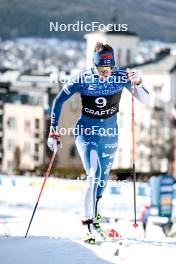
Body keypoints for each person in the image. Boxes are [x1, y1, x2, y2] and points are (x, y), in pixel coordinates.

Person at [47, 42, 150, 244]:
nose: (104, 73)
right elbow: (58, 100)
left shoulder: (121, 76)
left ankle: (96, 223)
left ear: (113, 65)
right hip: (86, 131)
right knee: (93, 174)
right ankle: (87, 225)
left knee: (102, 182)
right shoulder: (83, 78)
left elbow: (144, 99)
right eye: (100, 69)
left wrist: (138, 83)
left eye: (108, 69)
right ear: (93, 66)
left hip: (110, 134)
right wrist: (53, 131)